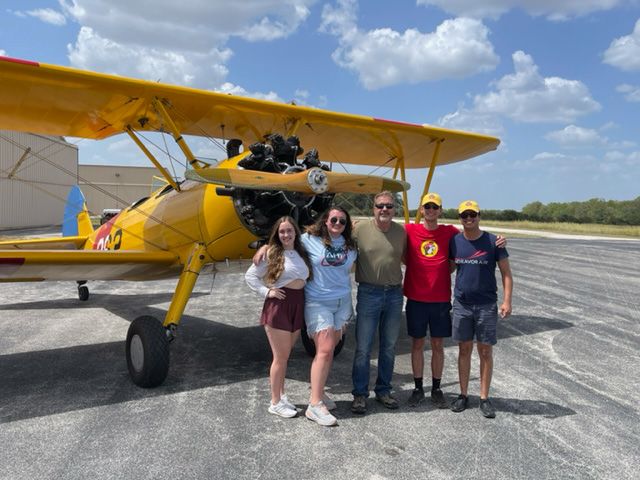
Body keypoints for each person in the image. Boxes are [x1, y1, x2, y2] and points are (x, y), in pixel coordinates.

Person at [254, 207, 357, 426]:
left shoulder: (350, 245)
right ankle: (315, 405)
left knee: (328, 351)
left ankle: (318, 391)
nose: (338, 223)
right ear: (325, 221)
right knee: (326, 349)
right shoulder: (309, 240)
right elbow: (285, 237)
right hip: (318, 301)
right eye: (334, 219)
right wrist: (265, 246)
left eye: (342, 221)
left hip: (342, 302)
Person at [404, 193, 506, 408]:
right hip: (415, 297)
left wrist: (498, 240)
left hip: (440, 298)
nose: (431, 210)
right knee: (417, 344)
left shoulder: (450, 232)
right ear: (421, 210)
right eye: (427, 206)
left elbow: (470, 238)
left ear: (440, 211)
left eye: (435, 207)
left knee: (438, 345)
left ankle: (437, 388)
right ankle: (417, 388)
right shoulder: (409, 230)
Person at [449, 200, 513, 419]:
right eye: (464, 215)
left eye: (472, 214)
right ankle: (463, 394)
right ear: (460, 218)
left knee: (485, 351)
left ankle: (484, 397)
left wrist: (507, 301)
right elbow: (447, 266)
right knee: (464, 349)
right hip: (462, 304)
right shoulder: (455, 241)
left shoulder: (494, 241)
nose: (469, 218)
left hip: (486, 304)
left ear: (479, 215)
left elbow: (506, 274)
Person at [245, 216, 312, 418]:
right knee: (280, 357)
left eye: (289, 231)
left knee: (285, 357)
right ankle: (274, 402)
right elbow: (250, 276)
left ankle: (281, 396)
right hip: (279, 305)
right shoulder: (273, 252)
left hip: (297, 304)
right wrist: (267, 292)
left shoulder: (301, 251)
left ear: (295, 232)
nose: (285, 235)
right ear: (277, 234)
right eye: (281, 231)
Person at [350, 191, 406, 414]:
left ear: (395, 210)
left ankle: (383, 390)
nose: (385, 210)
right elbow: (329, 237)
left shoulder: (402, 232)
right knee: (363, 348)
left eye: (389, 206)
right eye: (380, 206)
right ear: (373, 208)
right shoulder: (359, 229)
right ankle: (360, 394)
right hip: (368, 293)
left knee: (389, 347)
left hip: (394, 294)